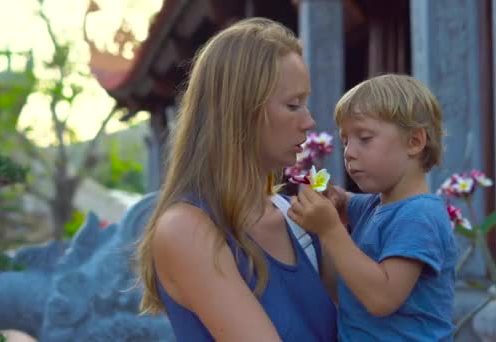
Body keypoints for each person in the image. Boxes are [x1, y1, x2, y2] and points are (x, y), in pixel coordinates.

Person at [136, 18, 337, 342]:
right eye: (292, 105)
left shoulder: (301, 218)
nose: (309, 121)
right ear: (241, 110)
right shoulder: (187, 229)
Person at [288, 74, 458, 341]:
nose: (348, 152)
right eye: (345, 141)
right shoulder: (374, 206)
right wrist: (329, 198)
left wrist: (330, 229)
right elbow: (343, 203)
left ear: (414, 141)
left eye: (364, 138)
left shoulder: (419, 215)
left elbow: (382, 298)